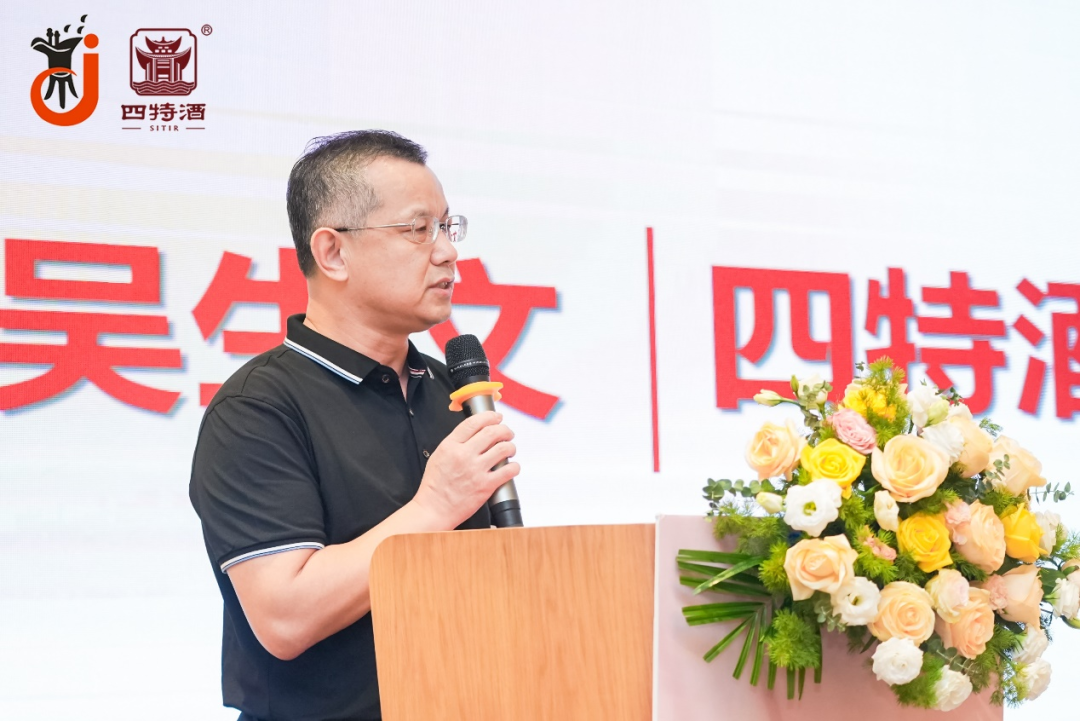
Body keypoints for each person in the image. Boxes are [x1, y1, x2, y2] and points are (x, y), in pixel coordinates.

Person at [189, 130, 520, 721]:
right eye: (418, 229)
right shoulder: (257, 408)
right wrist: (434, 507)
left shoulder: (450, 390)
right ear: (333, 252)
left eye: (448, 227)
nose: (448, 252)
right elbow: (284, 617)